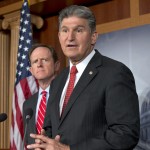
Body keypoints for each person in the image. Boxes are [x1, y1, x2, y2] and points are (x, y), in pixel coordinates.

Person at [27, 5, 140, 150]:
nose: (70, 37)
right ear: (59, 37)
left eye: (78, 30)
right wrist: (44, 142)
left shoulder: (115, 73)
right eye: (65, 30)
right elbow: (51, 127)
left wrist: (69, 149)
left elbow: (126, 134)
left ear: (93, 37)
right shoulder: (59, 80)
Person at [23, 43, 60, 145]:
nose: (39, 64)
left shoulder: (66, 95)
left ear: (56, 66)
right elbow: (28, 139)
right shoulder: (27, 104)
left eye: (44, 60)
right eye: (35, 61)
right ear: (31, 70)